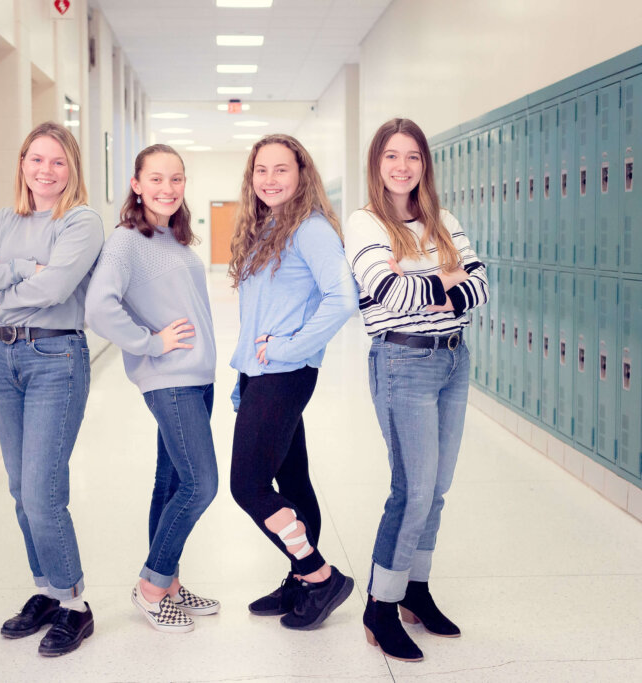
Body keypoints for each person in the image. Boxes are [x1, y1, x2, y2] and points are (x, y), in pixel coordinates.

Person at [0, 121, 103, 657]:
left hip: (56, 358)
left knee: (42, 492)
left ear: (73, 170)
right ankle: (45, 589)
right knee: (21, 490)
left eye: (58, 161)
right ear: (22, 165)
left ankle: (74, 605)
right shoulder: (3, 219)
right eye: (37, 159)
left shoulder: (81, 221)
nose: (46, 170)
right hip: (6, 358)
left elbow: (57, 286)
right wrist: (22, 268)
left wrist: (7, 278)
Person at [344, 118, 489, 661]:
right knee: (413, 489)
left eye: (413, 157)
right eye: (391, 157)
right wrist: (442, 279)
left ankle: (414, 591)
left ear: (425, 165)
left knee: (439, 487)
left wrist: (433, 287)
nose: (402, 167)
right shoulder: (365, 223)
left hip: (454, 359)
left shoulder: (442, 220)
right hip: (402, 362)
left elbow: (481, 283)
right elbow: (383, 290)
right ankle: (380, 607)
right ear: (376, 164)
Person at [84, 144, 219, 633]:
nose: (168, 188)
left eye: (177, 179)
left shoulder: (174, 238)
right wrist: (150, 342)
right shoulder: (126, 241)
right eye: (156, 179)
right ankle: (150, 586)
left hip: (196, 377)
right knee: (202, 484)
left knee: (173, 483)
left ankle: (171, 584)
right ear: (136, 184)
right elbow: (99, 308)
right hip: (171, 380)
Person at [228, 134, 359, 630]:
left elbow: (342, 298)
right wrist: (247, 373)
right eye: (261, 170)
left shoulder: (311, 229)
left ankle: (318, 574)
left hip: (285, 374)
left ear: (302, 174)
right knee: (292, 480)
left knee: (249, 486)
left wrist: (288, 347)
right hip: (263, 375)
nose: (270, 179)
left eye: (281, 169)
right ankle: (301, 582)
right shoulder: (268, 228)